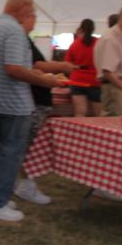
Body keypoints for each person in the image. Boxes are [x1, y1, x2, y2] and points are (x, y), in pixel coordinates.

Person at [0, 0, 62, 222]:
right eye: (32, 11)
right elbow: (13, 68)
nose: (32, 15)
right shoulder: (14, 30)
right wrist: (45, 80)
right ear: (23, 10)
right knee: (11, 153)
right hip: (13, 103)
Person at [13, 11, 75, 205]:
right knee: (28, 144)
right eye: (33, 17)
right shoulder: (20, 39)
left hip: (33, 99)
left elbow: (32, 67)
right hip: (34, 99)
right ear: (25, 17)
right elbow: (36, 65)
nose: (35, 22)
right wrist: (61, 67)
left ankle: (19, 182)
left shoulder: (21, 39)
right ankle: (25, 184)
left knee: (23, 144)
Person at [65, 18, 100, 116]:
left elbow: (67, 63)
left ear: (81, 28)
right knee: (99, 114)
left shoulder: (75, 44)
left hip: (77, 80)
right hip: (94, 80)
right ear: (93, 29)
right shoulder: (99, 43)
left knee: (80, 113)